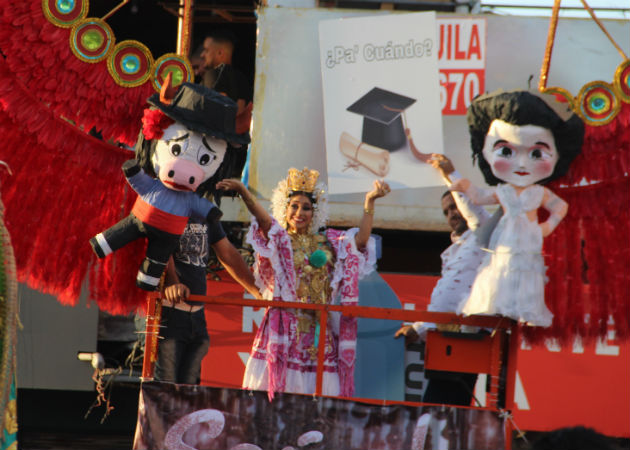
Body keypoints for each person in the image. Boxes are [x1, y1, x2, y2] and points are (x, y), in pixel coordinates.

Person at [217, 168, 390, 398]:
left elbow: (360, 241)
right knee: (274, 397)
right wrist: (243, 192)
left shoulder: (329, 241)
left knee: (318, 400)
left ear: (314, 212)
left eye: (306, 207)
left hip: (319, 332)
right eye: (294, 206)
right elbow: (263, 220)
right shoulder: (279, 240)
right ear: (285, 209)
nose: (300, 212)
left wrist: (369, 202)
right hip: (284, 329)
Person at [451, 90, 583, 327]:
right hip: (505, 240)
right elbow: (480, 197)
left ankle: (524, 310)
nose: (522, 164)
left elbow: (560, 207)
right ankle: (496, 305)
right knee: (500, 268)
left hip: (529, 239)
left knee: (526, 273)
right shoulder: (504, 191)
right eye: (506, 152)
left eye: (536, 154)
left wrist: (546, 227)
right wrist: (465, 186)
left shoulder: (538, 193)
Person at [394, 154, 490, 406]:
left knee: (441, 414)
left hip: (466, 339)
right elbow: (445, 302)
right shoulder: (455, 250)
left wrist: (450, 173)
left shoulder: (485, 234)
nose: (452, 214)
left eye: (455, 207)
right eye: (446, 211)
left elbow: (474, 210)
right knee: (440, 412)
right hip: (446, 340)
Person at [155, 218, 261, 385]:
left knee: (189, 389)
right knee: (166, 387)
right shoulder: (168, 206)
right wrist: (171, 281)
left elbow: (227, 253)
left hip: (197, 315)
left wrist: (258, 293)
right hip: (169, 312)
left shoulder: (205, 211)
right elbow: (158, 244)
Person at [200, 30, 251, 116]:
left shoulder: (213, 74)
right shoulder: (242, 78)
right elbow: (240, 111)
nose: (202, 54)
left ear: (220, 53)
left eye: (206, 50)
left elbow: (216, 111)